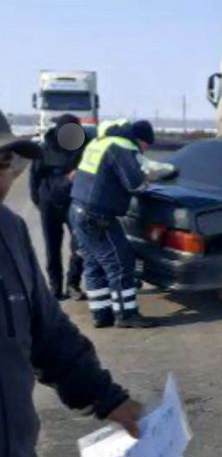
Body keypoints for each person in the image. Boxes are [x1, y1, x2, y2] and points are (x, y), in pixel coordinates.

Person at [0, 110, 142, 456]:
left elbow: (49, 333)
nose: (3, 179)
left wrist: (107, 399)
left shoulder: (10, 230)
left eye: (4, 161)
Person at [70, 119, 158, 329]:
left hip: (77, 210)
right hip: (97, 216)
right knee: (120, 262)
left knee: (94, 263)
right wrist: (148, 178)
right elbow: (134, 184)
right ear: (140, 139)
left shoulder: (100, 142)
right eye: (146, 146)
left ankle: (101, 313)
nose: (144, 151)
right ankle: (126, 314)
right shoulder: (123, 147)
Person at [29, 113, 88, 300]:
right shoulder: (46, 148)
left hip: (74, 203)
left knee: (80, 245)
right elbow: (34, 178)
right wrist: (40, 201)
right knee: (52, 247)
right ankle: (55, 287)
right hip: (49, 203)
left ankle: (73, 284)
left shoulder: (85, 148)